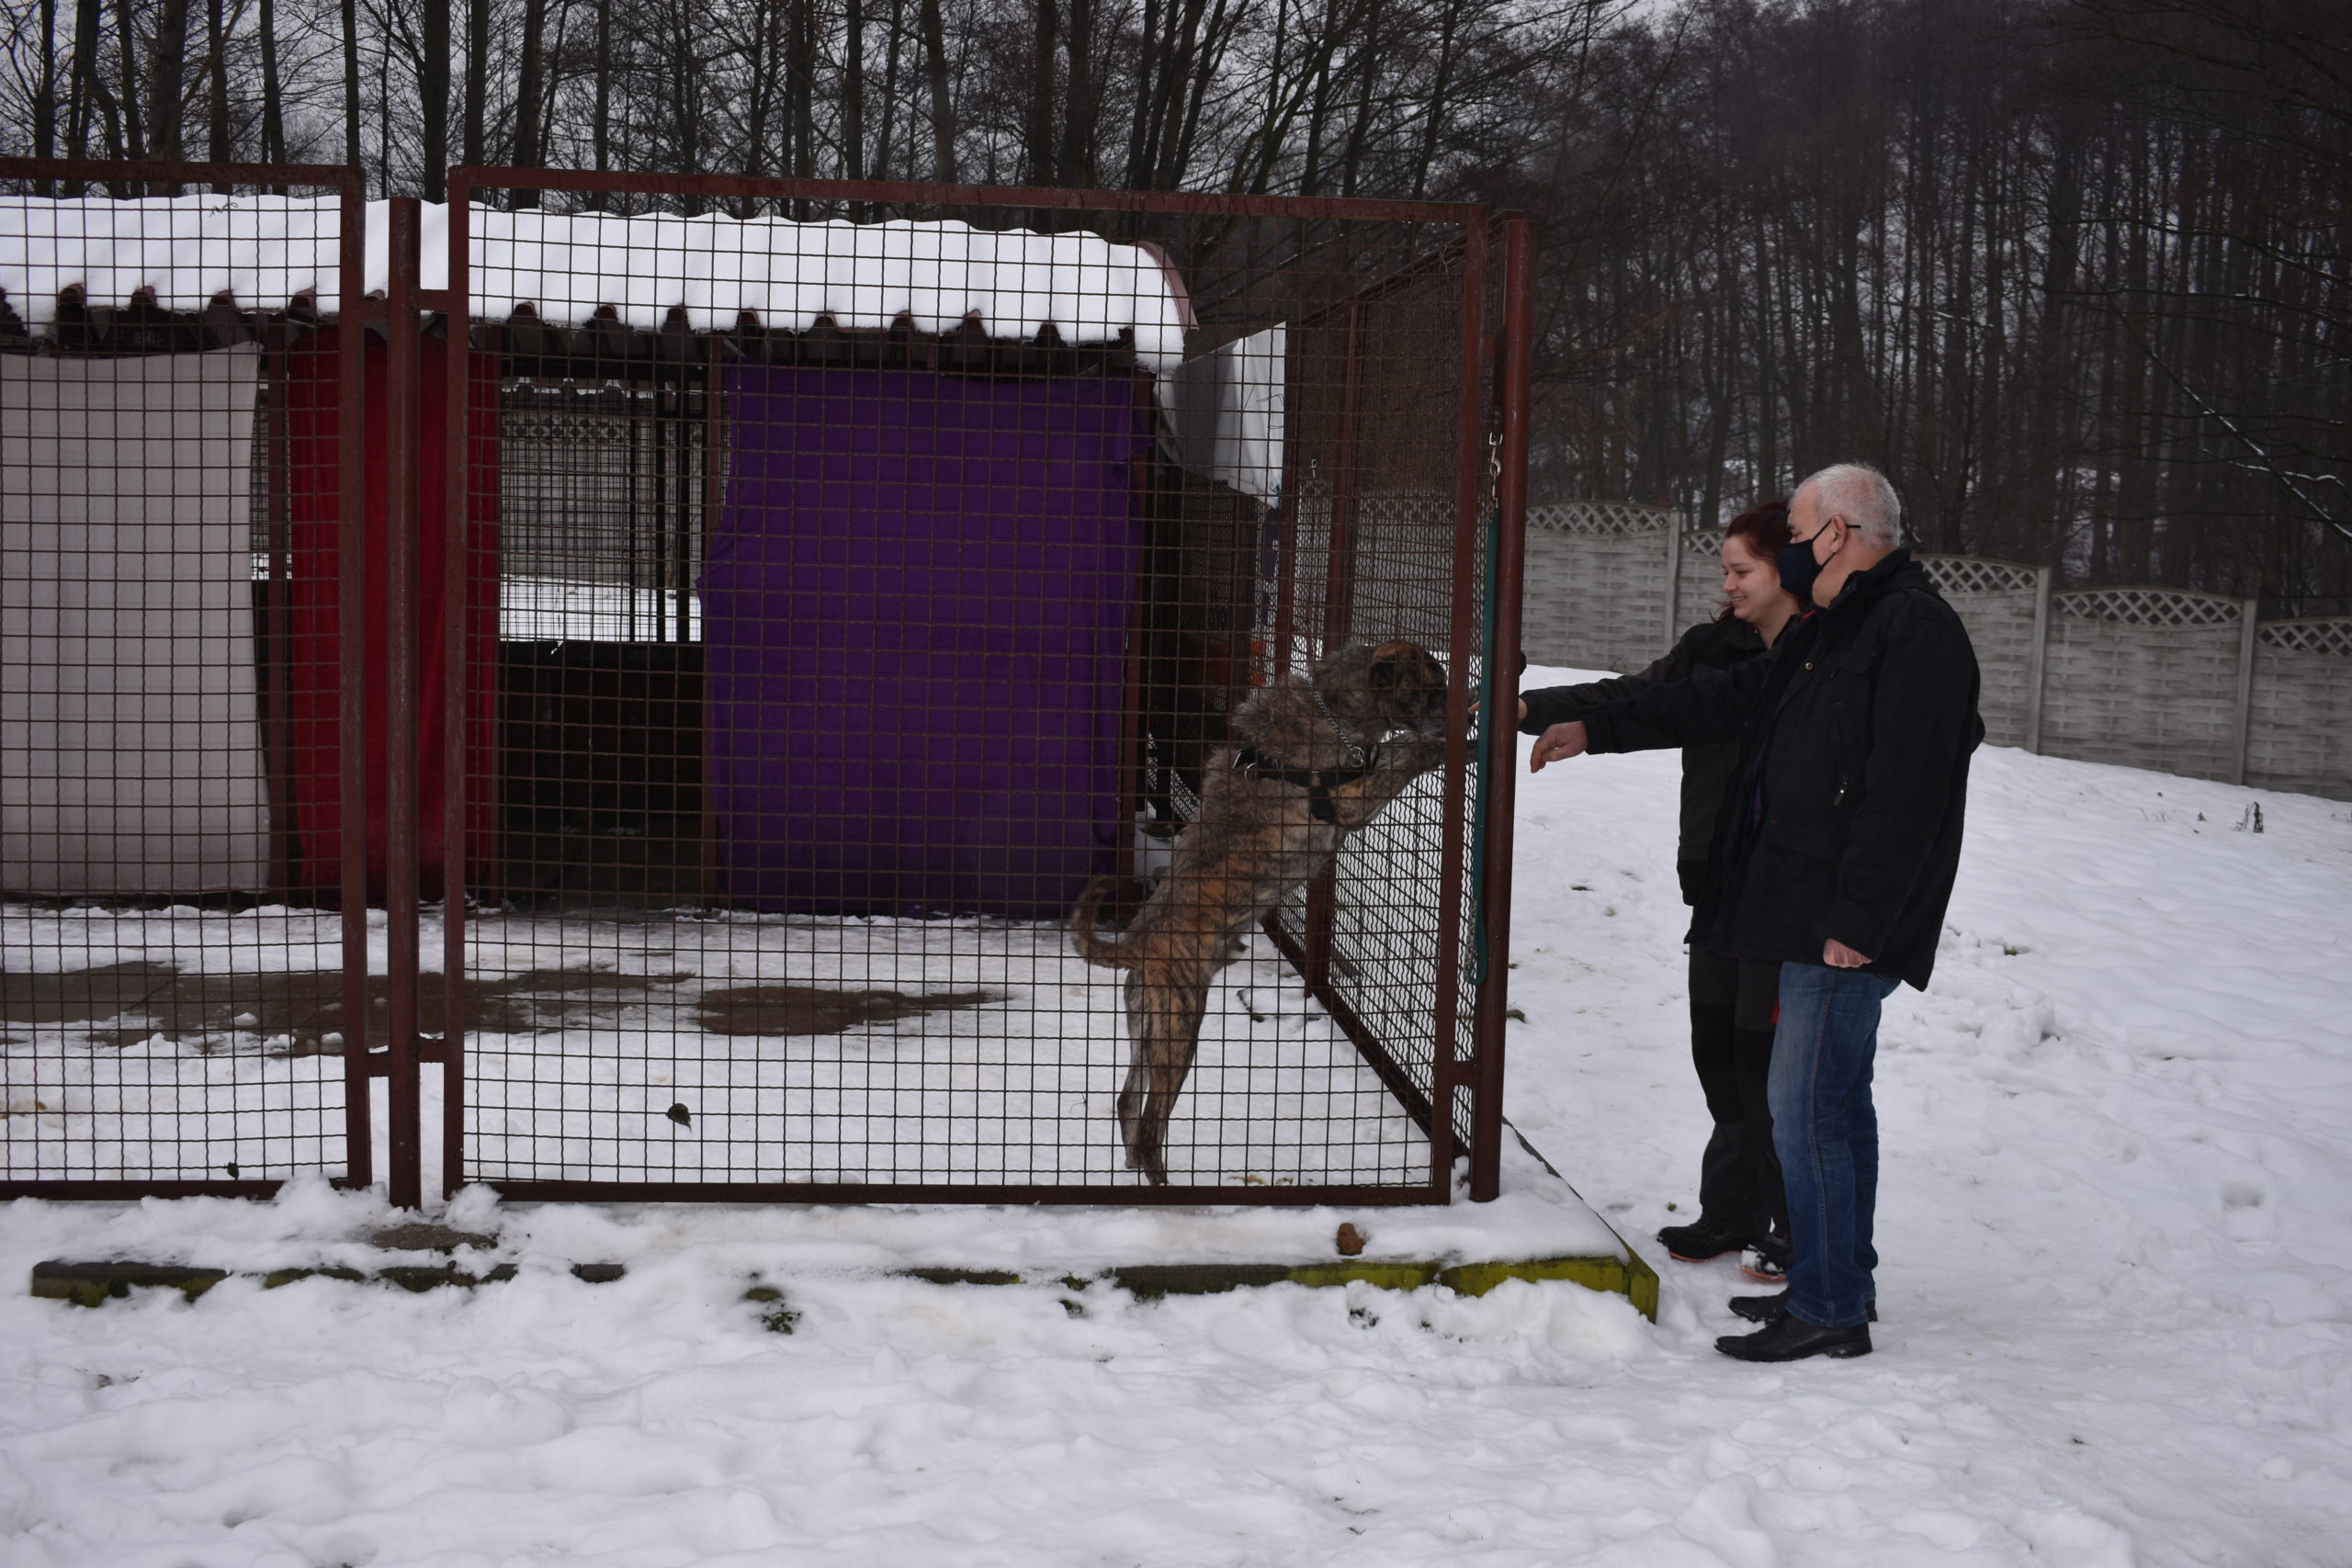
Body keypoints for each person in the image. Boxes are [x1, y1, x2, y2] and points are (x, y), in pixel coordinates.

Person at [1529, 463, 1982, 1362]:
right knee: (1832, 1106)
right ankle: (1836, 1284)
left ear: (1838, 535)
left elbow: (1909, 792)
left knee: (1806, 1108)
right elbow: (1723, 696)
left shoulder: (1912, 630)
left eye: (1799, 537)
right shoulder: (1836, 626)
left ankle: (1826, 1306)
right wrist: (1588, 724)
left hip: (1839, 921)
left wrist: (1857, 920)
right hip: (1803, 907)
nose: (1791, 552)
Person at [1518, 502, 1802, 1282]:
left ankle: (1792, 1224)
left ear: (1787, 569)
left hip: (1781, 898)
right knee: (1719, 1055)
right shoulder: (1712, 648)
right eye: (1725, 570)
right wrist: (1532, 709)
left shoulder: (1814, 664)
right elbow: (1637, 698)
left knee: (1767, 1068)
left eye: (1741, 570)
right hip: (1715, 886)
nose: (1728, 584)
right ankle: (1732, 1210)